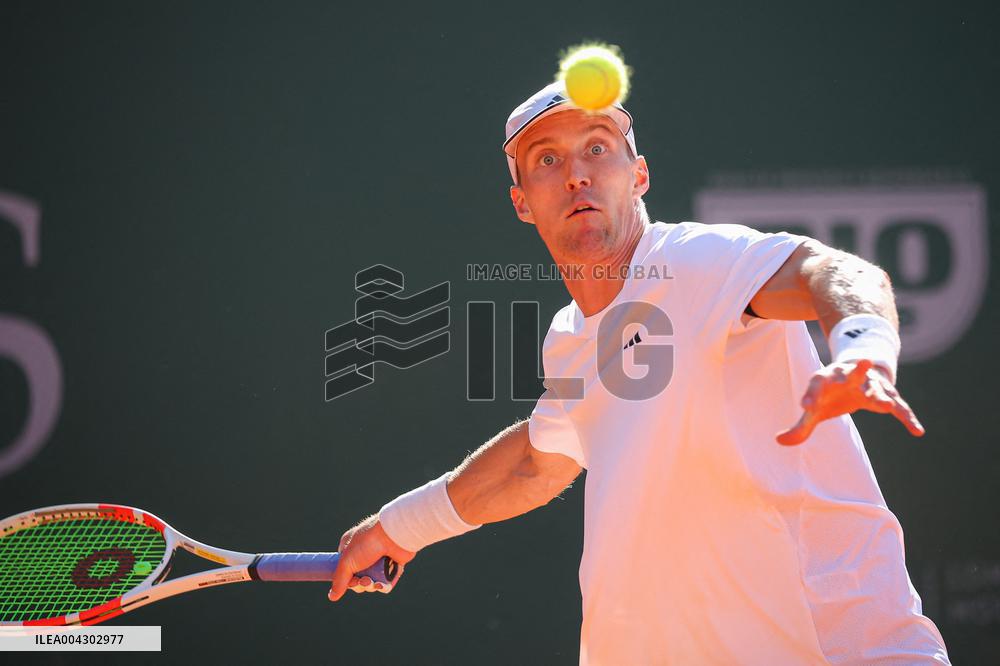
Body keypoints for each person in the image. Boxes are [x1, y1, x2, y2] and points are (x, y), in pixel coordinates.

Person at [327, 80, 950, 664]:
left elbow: (839, 274)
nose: (575, 174)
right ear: (522, 203)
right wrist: (396, 528)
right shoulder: (570, 340)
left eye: (597, 148)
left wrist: (863, 347)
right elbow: (534, 464)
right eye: (546, 160)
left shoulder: (698, 262)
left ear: (639, 175)